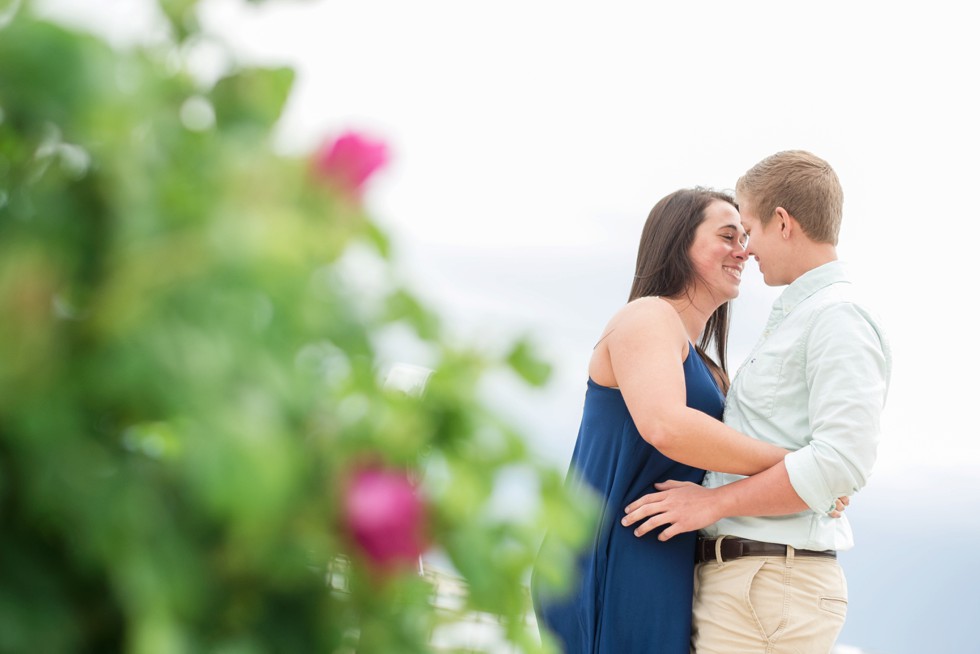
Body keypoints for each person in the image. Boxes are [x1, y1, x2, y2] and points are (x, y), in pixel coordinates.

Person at [622, 150, 892, 653]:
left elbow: (840, 463)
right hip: (754, 586)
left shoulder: (838, 319)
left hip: (770, 586)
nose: (746, 250)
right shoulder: (804, 317)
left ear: (783, 223)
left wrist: (712, 505)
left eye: (748, 230)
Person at [531, 187, 798, 654]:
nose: (744, 250)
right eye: (728, 235)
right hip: (613, 552)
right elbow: (667, 426)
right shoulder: (646, 316)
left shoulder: (709, 366)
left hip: (663, 559)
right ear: (680, 242)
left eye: (745, 236)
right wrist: (797, 467)